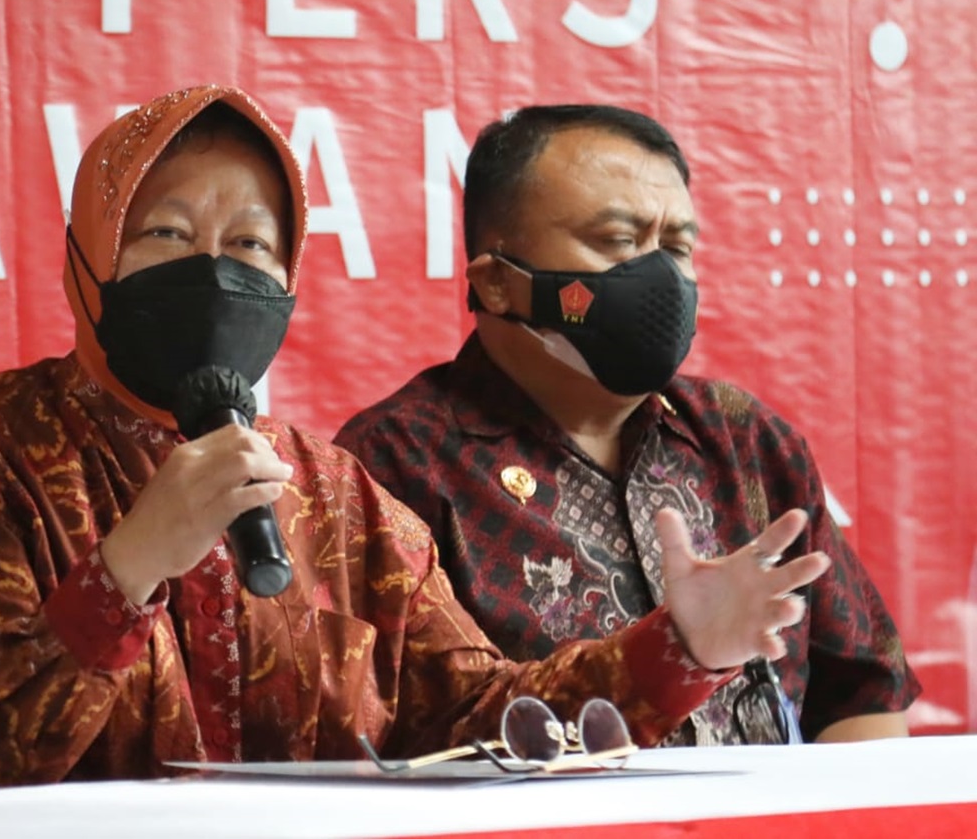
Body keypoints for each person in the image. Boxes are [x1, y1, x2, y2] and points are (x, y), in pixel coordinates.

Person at [0, 86, 824, 794]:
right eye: (169, 238)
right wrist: (127, 566)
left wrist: (680, 647)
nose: (214, 271)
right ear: (83, 264)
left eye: (252, 246)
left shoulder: (323, 488)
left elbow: (472, 720)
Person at [334, 104, 919, 746]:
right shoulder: (393, 467)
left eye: (676, 247)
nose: (660, 277)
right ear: (497, 283)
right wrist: (675, 652)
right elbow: (402, 733)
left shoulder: (744, 439)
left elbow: (865, 691)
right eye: (618, 241)